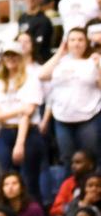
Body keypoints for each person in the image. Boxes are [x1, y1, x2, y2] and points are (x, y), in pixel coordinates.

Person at [0, 41, 45, 202]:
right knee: (6, 181)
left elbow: (28, 113)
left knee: (29, 181)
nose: (10, 59)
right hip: (5, 132)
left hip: (29, 133)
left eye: (14, 55)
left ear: (20, 57)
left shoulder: (31, 80)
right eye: (7, 55)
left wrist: (19, 143)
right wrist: (20, 108)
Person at [38, 27, 101, 162]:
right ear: (67, 42)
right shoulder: (60, 62)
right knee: (68, 159)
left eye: (80, 40)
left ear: (86, 42)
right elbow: (42, 75)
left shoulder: (93, 61)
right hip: (62, 119)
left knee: (91, 158)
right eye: (72, 40)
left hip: (88, 118)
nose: (76, 43)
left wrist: (98, 66)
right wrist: (60, 52)